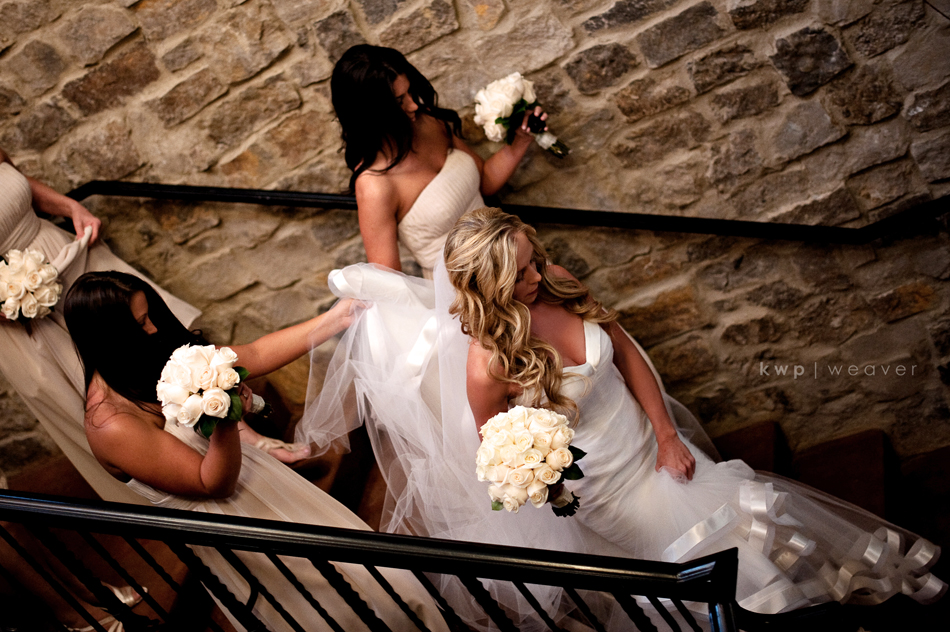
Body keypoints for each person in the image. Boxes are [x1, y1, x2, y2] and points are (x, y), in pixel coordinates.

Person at [299, 208, 945, 631]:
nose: (535, 274)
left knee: (747, 543)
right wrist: (543, 478)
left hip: (653, 447)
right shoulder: (487, 365)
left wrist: (666, 433)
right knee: (720, 573)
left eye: (532, 259)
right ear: (490, 287)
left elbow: (626, 349)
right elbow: (495, 455)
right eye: (520, 273)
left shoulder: (556, 279)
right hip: (606, 494)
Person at [62, 271, 449, 632]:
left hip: (268, 485)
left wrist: (337, 318)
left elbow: (256, 353)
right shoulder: (112, 424)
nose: (153, 328)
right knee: (335, 610)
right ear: (110, 338)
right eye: (140, 323)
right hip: (240, 527)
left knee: (384, 583)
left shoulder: (146, 357)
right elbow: (212, 483)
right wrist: (226, 414)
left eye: (148, 316)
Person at [0, 148, 308, 510]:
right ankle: (181, 466)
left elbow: (15, 182)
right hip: (18, 311)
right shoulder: (107, 420)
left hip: (63, 253)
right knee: (114, 384)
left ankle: (246, 436)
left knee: (163, 345)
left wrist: (71, 208)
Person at [331, 44, 548, 279]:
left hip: (515, 257)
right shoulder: (374, 185)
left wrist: (521, 140)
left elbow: (485, 181)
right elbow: (389, 281)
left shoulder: (428, 122)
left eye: (410, 92)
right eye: (399, 101)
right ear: (371, 114)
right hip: (463, 291)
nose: (414, 105)